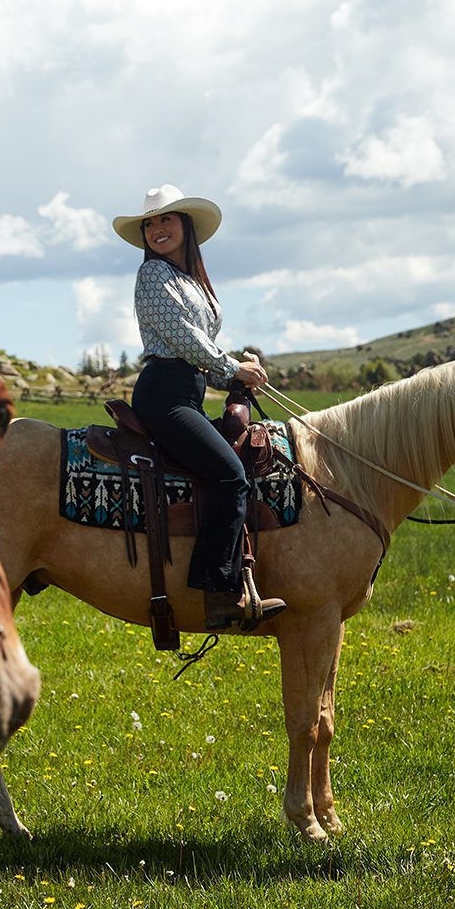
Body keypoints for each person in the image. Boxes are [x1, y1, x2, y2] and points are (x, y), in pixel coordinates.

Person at [113, 184, 286, 630]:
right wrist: (231, 368)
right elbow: (186, 341)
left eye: (165, 219)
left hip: (186, 389)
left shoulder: (190, 283)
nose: (156, 230)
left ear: (185, 225)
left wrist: (236, 372)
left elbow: (199, 351)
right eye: (149, 223)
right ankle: (216, 588)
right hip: (164, 394)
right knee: (229, 475)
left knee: (236, 463)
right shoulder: (152, 277)